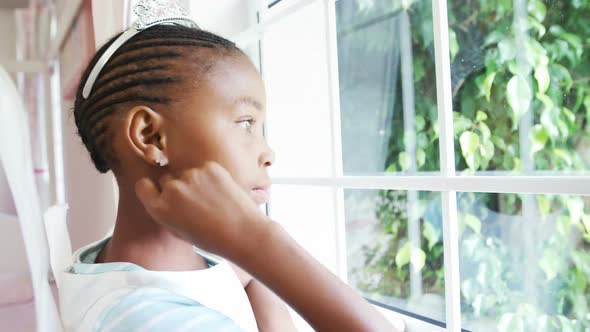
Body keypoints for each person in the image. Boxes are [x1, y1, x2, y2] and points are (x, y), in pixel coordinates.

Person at [59, 2, 397, 331]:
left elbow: (238, 280)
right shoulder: (150, 320)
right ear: (152, 136)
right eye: (246, 122)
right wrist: (262, 243)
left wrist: (252, 260)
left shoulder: (116, 262)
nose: (268, 153)